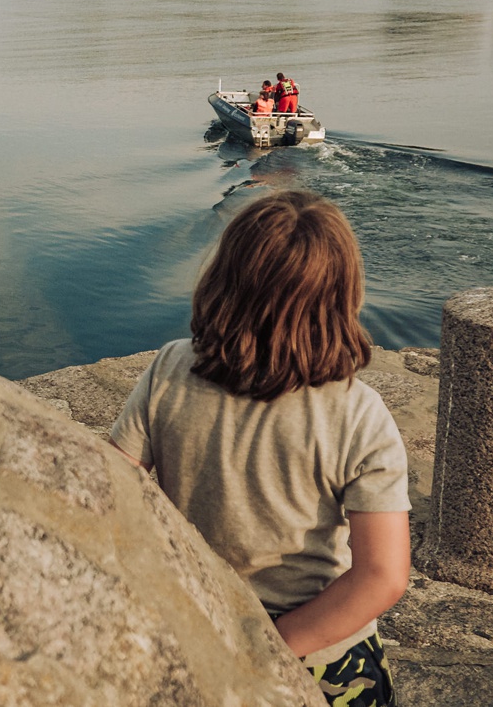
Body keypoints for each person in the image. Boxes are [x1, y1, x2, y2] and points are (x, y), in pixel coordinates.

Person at [109, 191, 410, 706]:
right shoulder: (358, 414)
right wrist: (271, 647)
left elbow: (112, 483)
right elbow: (382, 575)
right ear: (343, 295)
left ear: (223, 279)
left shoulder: (171, 368)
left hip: (200, 621)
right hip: (319, 656)